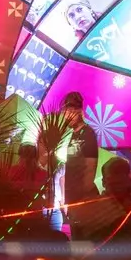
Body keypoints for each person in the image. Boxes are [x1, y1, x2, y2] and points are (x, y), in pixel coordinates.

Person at [41, 91, 101, 224]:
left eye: (67, 112)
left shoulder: (88, 133)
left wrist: (82, 200)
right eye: (63, 113)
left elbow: (90, 167)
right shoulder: (73, 134)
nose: (65, 116)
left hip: (82, 201)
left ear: (78, 111)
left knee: (82, 241)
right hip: (72, 200)